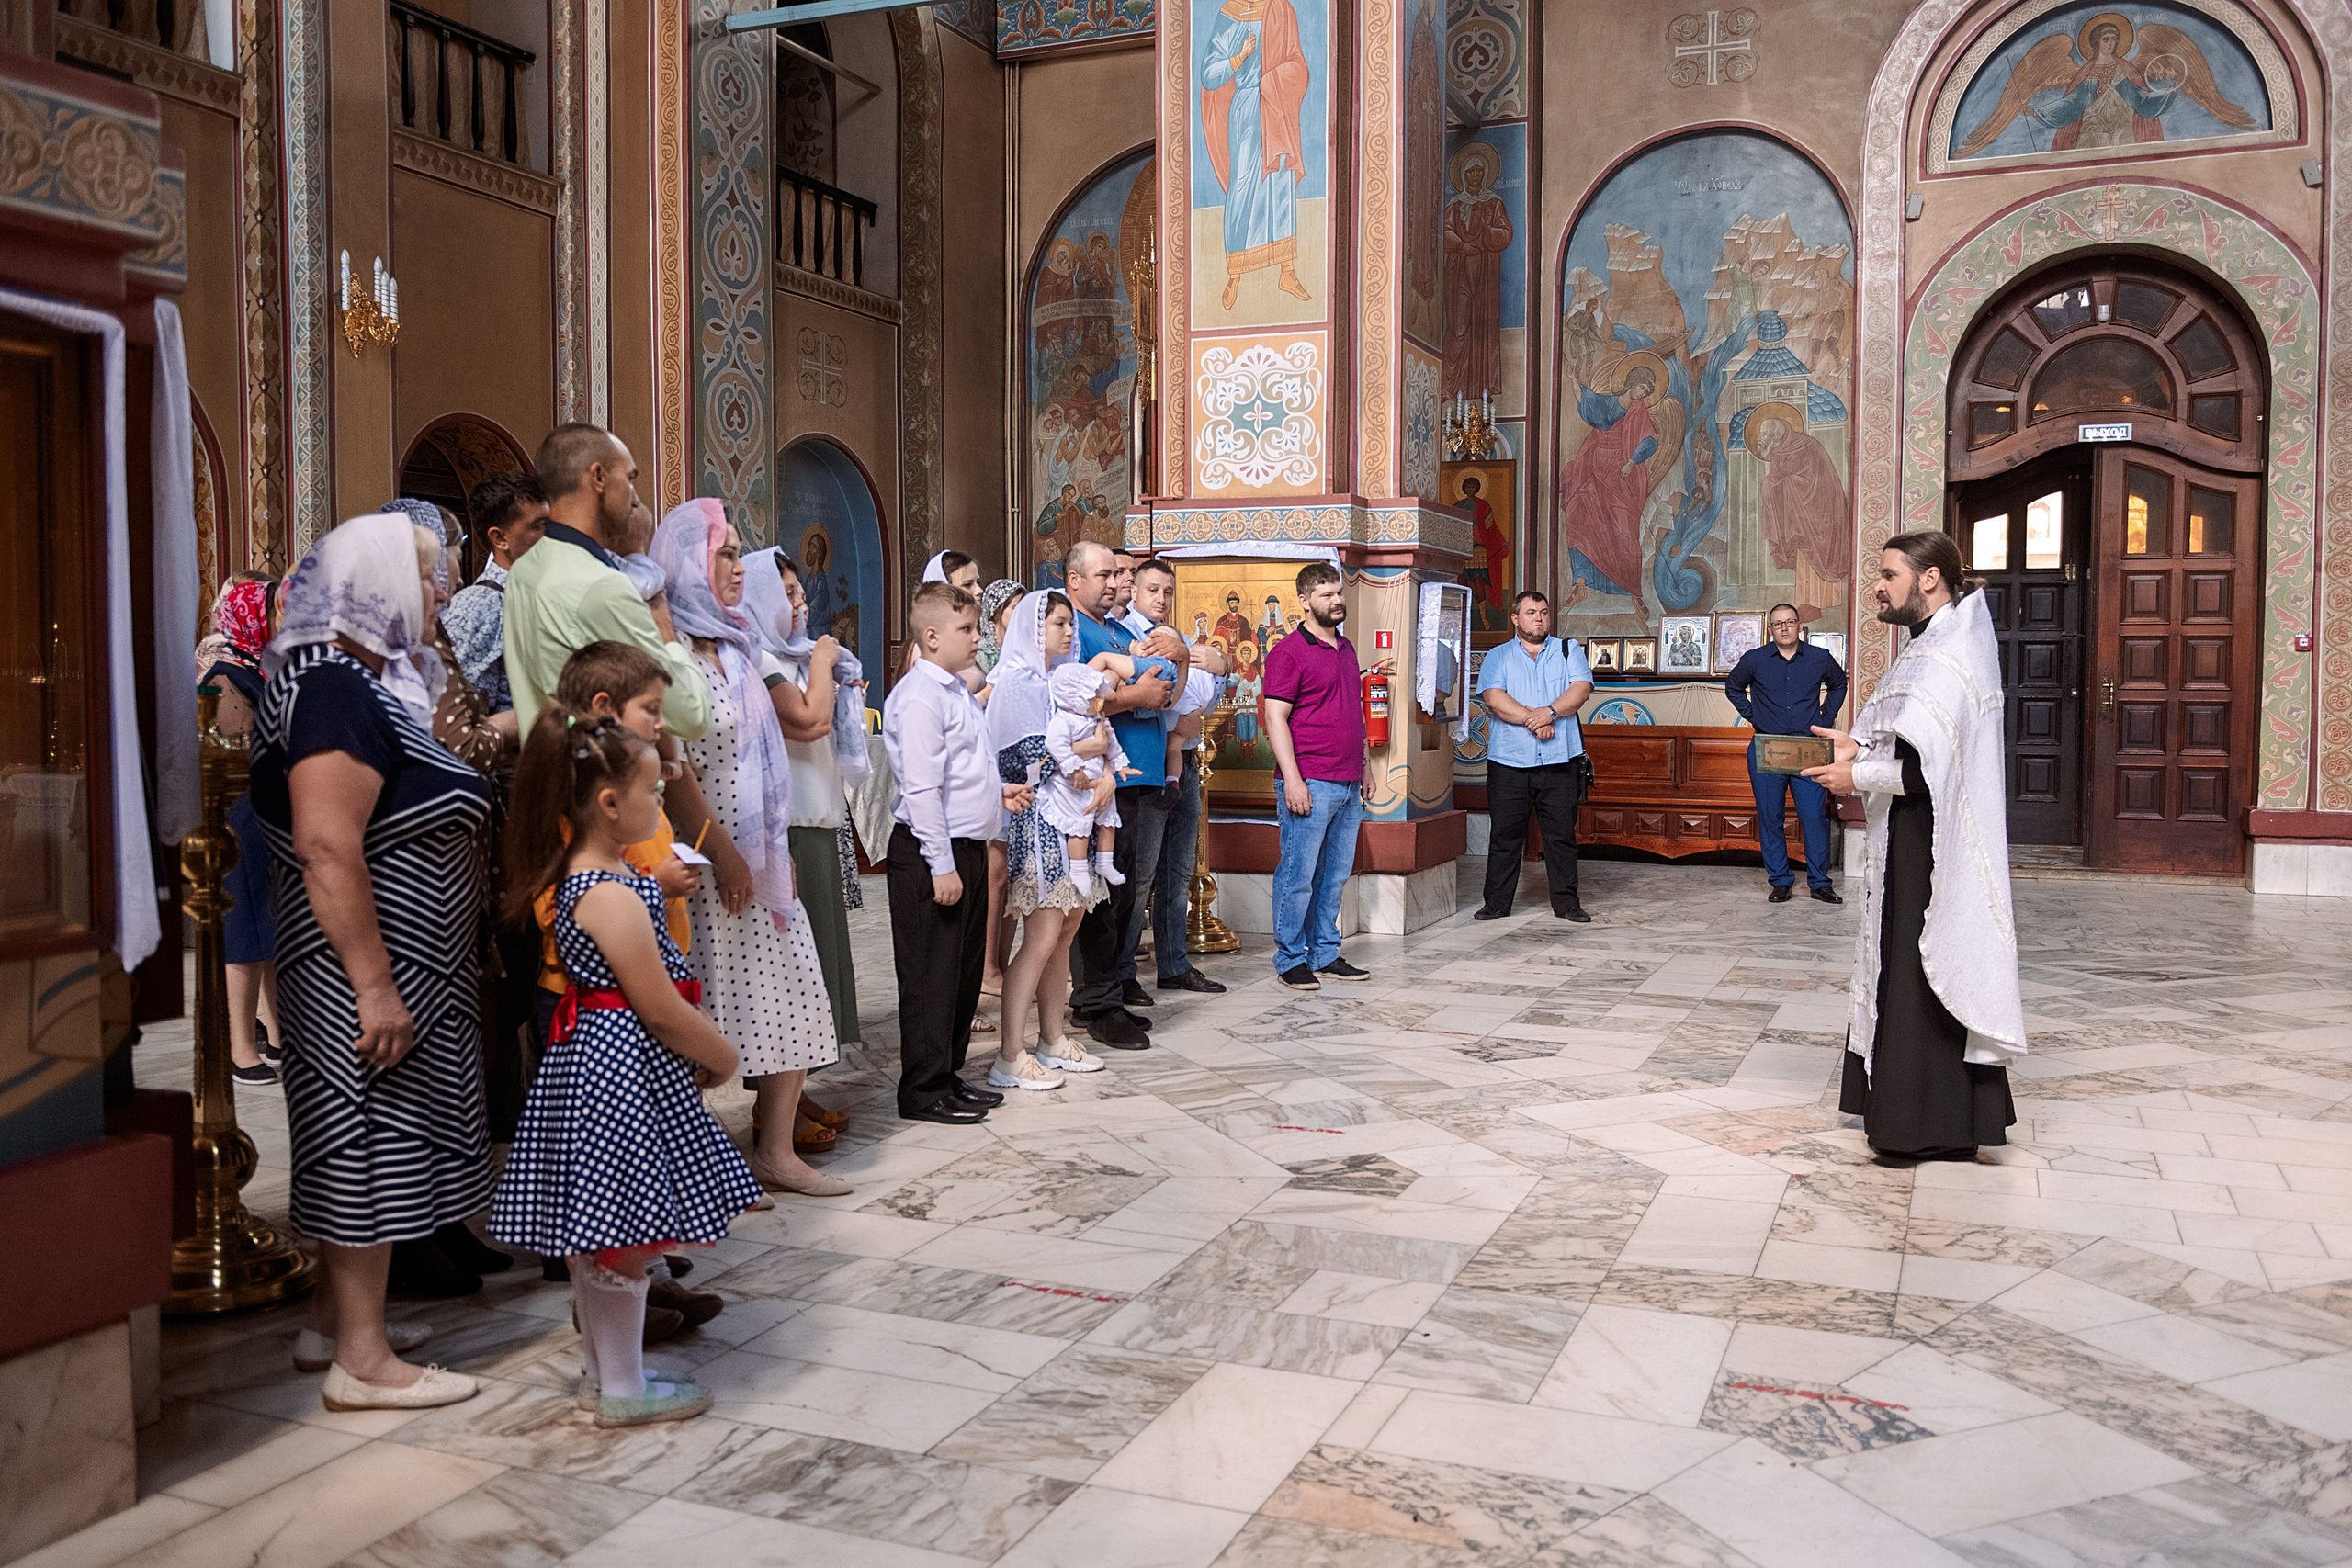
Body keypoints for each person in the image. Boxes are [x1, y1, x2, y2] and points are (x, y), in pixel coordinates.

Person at [247, 513, 492, 1411]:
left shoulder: (343, 681)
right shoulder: (332, 690)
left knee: (367, 1133)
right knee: (368, 1137)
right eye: (428, 579)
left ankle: (332, 1321)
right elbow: (326, 844)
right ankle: (364, 1360)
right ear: (379, 585)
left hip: (378, 962)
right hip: (358, 967)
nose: (440, 596)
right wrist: (377, 986)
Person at [489, 708, 759, 1427]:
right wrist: (722, 1053)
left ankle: (607, 1374)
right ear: (609, 804)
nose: (661, 804)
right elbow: (658, 1005)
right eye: (652, 792)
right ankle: (624, 1386)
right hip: (617, 1068)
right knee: (624, 1238)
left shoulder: (604, 875)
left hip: (601, 1060)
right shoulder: (606, 893)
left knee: (606, 1235)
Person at [1804, 531, 2025, 1165]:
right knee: (1902, 964)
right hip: (1909, 835)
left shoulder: (1952, 653)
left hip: (1933, 839)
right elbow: (1909, 743)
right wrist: (1856, 746)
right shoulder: (1930, 645)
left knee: (1923, 964)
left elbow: (1932, 771)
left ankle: (1928, 1122)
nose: (1878, 584)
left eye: (1888, 573)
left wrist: (1857, 776)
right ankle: (1920, 1114)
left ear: (1930, 579)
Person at [652, 502, 849, 1197]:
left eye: (739, 553)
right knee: (702, 1008)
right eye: (724, 554)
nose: (739, 566)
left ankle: (773, 1150)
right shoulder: (668, 655)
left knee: (793, 995)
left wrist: (770, 848)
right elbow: (676, 776)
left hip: (760, 857)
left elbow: (763, 760)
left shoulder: (738, 644)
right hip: (702, 862)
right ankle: (691, 1160)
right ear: (686, 564)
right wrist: (726, 856)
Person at [885, 583, 1035, 1120]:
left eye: (975, 628)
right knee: (931, 976)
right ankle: (922, 1090)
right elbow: (922, 789)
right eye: (966, 630)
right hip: (933, 854)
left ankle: (946, 1075)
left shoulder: (951, 691)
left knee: (962, 974)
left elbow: (959, 770)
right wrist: (941, 865)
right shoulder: (921, 697)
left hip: (964, 846)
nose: (977, 638)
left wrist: (997, 793)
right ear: (930, 637)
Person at [503, 423, 707, 739]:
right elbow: (690, 714)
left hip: (547, 770)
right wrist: (668, 635)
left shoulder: (523, 569)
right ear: (598, 477)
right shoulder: (600, 587)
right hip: (597, 779)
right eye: (630, 478)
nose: (634, 497)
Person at [741, 547, 866, 1061]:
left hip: (815, 814)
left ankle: (803, 1089)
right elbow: (810, 719)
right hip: (787, 820)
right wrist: (821, 664)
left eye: (800, 593)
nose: (801, 604)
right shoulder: (761, 658)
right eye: (788, 594)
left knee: (821, 948)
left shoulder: (788, 655)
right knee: (795, 962)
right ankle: (785, 1099)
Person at [1061, 542, 1185, 1046]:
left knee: (1124, 893)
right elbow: (1067, 701)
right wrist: (1135, 696)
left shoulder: (1116, 629)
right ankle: (1095, 1001)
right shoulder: (1073, 629)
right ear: (1074, 581)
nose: (1116, 584)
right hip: (1101, 781)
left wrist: (1176, 663)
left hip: (1135, 776)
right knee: (1102, 897)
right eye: (1104, 575)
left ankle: (1107, 993)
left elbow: (1173, 690)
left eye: (1118, 576)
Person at [987, 589, 1108, 1089]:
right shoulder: (1016, 684)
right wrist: (1090, 746)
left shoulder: (1060, 682)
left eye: (1068, 624)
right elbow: (1021, 760)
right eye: (1057, 623)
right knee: (1040, 936)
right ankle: (1009, 1055)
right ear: (1033, 630)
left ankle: (1052, 1039)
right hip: (1037, 820)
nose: (1067, 630)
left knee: (1066, 928)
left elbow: (1094, 740)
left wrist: (1102, 766)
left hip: (1074, 818)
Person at [1261, 560, 1369, 990]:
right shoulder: (1288, 652)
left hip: (1347, 781)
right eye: (1326, 595)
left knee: (1335, 875)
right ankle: (1290, 958)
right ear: (1305, 602)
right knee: (1298, 875)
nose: (1337, 600)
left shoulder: (1346, 648)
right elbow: (1274, 717)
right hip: (1309, 779)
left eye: (1338, 593)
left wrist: (1364, 767)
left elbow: (1353, 711)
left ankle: (1325, 951)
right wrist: (1292, 779)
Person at [196, 575, 285, 1085]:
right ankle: (239, 1049)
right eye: (271, 612)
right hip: (241, 815)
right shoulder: (225, 676)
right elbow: (235, 757)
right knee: (246, 935)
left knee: (269, 931)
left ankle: (277, 1034)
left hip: (266, 811)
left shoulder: (257, 667)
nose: (280, 621)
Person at [1473, 590, 1596, 923]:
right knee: (1504, 836)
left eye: (1543, 612)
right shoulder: (1498, 656)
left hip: (1559, 762)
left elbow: (1580, 690)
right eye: (1530, 612)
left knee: (1561, 837)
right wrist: (1536, 718)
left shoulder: (1569, 650)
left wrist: (1551, 713)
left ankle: (1567, 904)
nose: (1538, 618)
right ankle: (1496, 903)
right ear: (1515, 618)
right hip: (1509, 762)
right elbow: (1494, 698)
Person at [1725, 602, 1849, 905]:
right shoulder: (1755, 659)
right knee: (1771, 817)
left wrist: (1825, 718)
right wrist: (1754, 715)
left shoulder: (1819, 658)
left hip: (1809, 748)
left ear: (1799, 627)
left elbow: (1838, 683)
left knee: (1814, 816)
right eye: (1778, 623)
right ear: (1770, 629)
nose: (1784, 628)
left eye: (1790, 622)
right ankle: (1780, 881)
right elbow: (1733, 687)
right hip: (1768, 745)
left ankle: (1820, 883)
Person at [441, 471, 549, 716]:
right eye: (539, 526)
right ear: (500, 538)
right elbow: (463, 709)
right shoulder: (479, 606)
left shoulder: (539, 594)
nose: (550, 536)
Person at [1155, 640, 1229, 995]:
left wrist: (1224, 665)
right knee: (1140, 880)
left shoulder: (1179, 641)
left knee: (1178, 873)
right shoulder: (1128, 637)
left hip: (1184, 761)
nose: (1162, 598)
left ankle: (1174, 965)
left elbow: (1207, 704)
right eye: (1152, 590)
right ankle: (1120, 977)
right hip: (1148, 763)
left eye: (1167, 591)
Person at [1044, 664, 1138, 897]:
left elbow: (1110, 740)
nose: (1098, 702)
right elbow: (1054, 745)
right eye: (1092, 697)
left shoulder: (1096, 718)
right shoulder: (1064, 720)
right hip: (1074, 784)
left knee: (1108, 821)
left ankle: (1104, 862)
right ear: (1074, 697)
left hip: (1100, 777)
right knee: (1081, 824)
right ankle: (1077, 868)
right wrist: (1074, 768)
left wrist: (1119, 763)